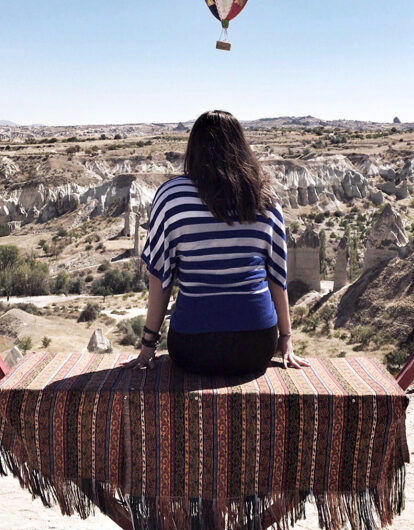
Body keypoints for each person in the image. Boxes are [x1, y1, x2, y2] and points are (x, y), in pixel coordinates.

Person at [130, 109, 308, 374]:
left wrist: (148, 344)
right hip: (257, 346)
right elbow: (276, 276)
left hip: (192, 347)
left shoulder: (172, 196)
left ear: (194, 148)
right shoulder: (266, 197)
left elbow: (160, 275)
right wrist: (286, 340)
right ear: (241, 145)